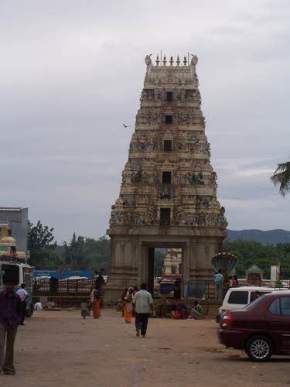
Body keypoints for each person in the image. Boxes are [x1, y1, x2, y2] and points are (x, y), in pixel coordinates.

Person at [0, 277, 21, 375]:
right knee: (0, 344)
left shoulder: (16, 297)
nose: (9, 287)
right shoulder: (1, 296)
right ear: (4, 286)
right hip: (1, 322)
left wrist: (18, 320)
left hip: (13, 323)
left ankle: (8, 367)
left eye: (12, 285)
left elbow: (20, 309)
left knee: (10, 346)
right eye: (7, 285)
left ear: (14, 286)